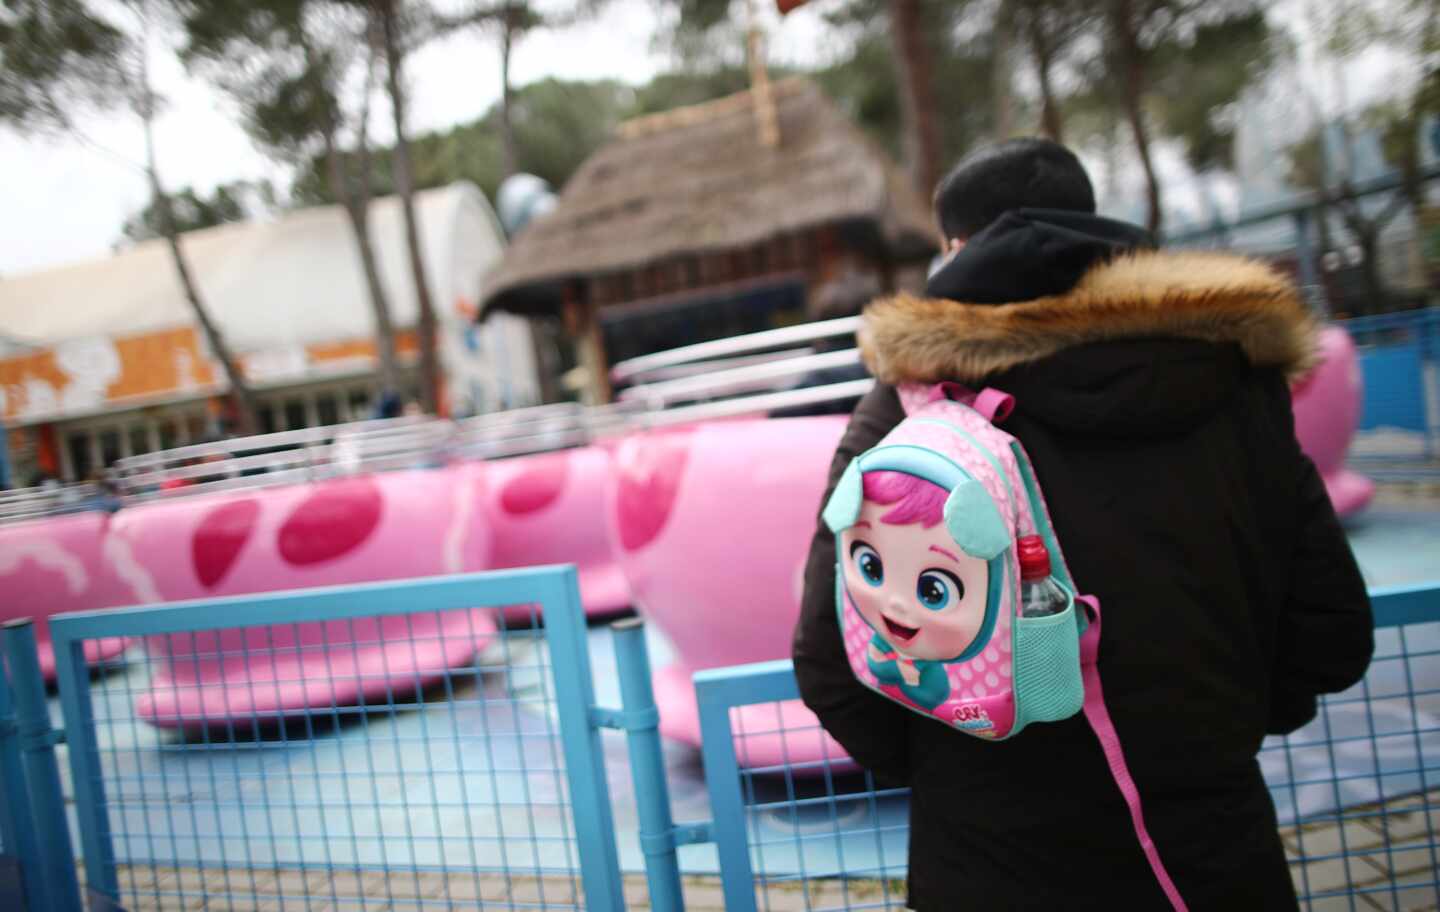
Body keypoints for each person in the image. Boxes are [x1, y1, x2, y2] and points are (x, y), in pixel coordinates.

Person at [791, 138, 1374, 911]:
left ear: (957, 250)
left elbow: (830, 661)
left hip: (987, 863)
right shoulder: (1232, 379)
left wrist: (961, 763)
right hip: (1209, 856)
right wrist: (1214, 735)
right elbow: (1332, 630)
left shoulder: (911, 411)